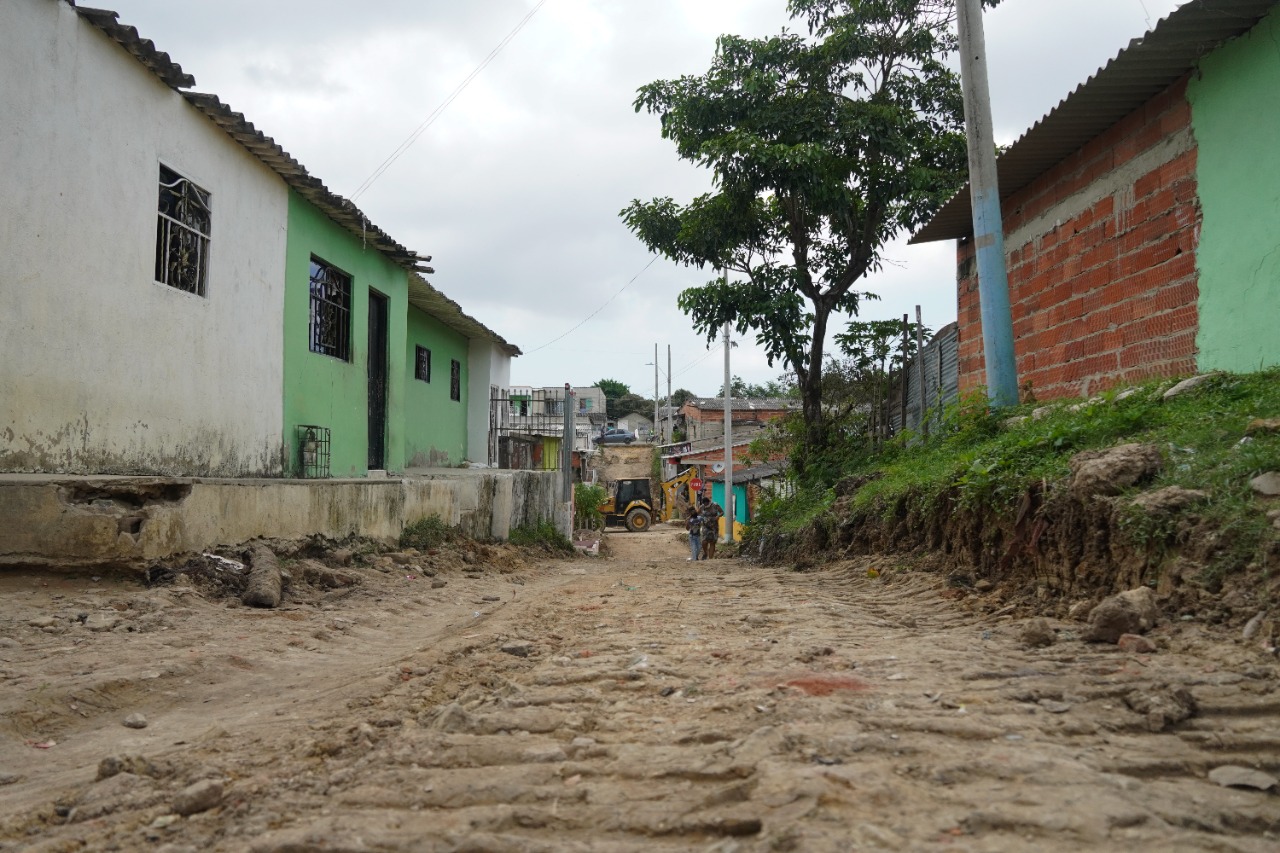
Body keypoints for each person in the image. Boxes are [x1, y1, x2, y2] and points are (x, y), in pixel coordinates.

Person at [699, 496, 724, 560]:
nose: (706, 505)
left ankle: (710, 558)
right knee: (704, 541)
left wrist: (718, 516)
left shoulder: (715, 505)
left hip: (714, 527)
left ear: (709, 502)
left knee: (712, 542)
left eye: (707, 504)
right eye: (704, 504)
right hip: (705, 526)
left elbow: (722, 512)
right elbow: (698, 513)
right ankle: (705, 553)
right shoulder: (702, 507)